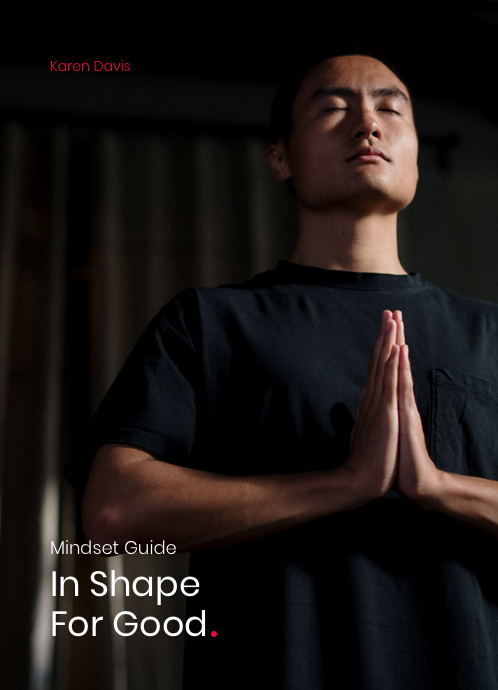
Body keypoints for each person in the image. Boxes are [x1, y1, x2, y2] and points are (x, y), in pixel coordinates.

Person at [66, 44, 498, 689]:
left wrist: (437, 487)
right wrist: (345, 484)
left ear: (414, 154)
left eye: (390, 109)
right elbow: (112, 515)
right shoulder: (209, 324)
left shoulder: (489, 332)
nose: (367, 123)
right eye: (332, 108)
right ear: (280, 158)